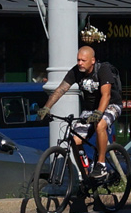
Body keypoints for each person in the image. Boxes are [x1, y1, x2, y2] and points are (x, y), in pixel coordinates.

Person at [37, 46, 122, 179]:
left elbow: (106, 95)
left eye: (83, 60)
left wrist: (99, 113)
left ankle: (101, 165)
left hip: (110, 105)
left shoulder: (103, 70)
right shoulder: (76, 71)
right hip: (89, 110)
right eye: (78, 60)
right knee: (75, 140)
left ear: (92, 60)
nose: (80, 63)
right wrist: (46, 107)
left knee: (100, 125)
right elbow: (60, 90)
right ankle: (86, 172)